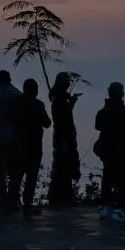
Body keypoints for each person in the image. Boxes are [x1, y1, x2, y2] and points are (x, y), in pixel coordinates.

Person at [6, 78, 51, 215]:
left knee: (16, 176)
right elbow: (47, 123)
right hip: (34, 145)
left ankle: (12, 203)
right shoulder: (38, 105)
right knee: (31, 176)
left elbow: (8, 119)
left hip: (18, 144)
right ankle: (27, 203)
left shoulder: (15, 103)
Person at [94, 82, 125, 220]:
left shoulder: (103, 113)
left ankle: (107, 205)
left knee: (108, 177)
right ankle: (119, 204)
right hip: (124, 149)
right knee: (122, 179)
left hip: (109, 150)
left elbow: (98, 127)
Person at [47, 72, 81, 207]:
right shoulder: (59, 100)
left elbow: (64, 117)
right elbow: (62, 122)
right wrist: (64, 144)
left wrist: (71, 104)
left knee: (63, 168)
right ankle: (60, 198)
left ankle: (61, 197)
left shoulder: (59, 99)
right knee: (63, 168)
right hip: (64, 139)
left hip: (64, 138)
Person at [0, 70, 21, 210]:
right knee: (14, 170)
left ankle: (3, 199)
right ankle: (13, 200)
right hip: (13, 138)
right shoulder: (17, 94)